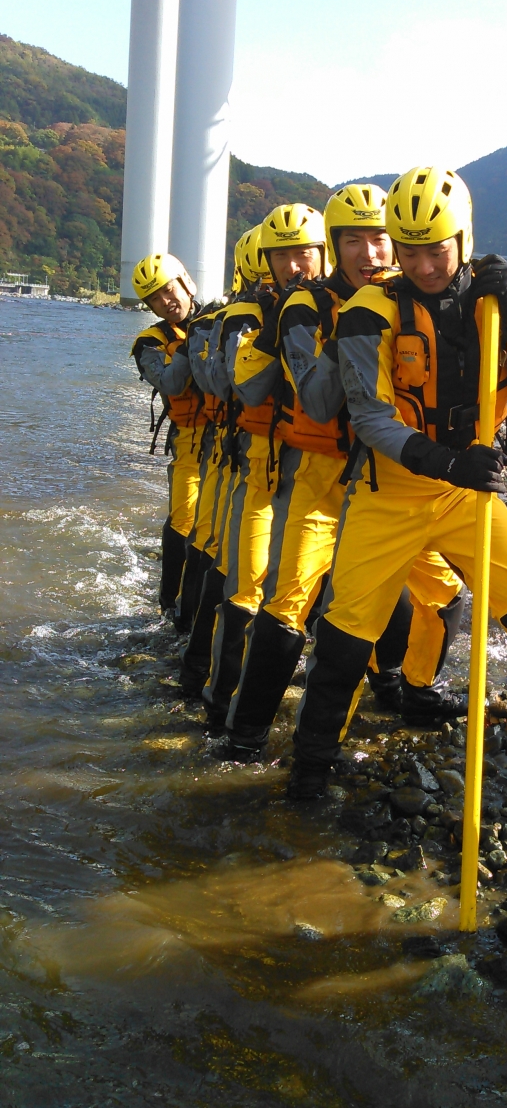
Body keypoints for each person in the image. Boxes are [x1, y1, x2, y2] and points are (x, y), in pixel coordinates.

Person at [287, 165, 507, 813]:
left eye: (437, 249)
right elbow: (370, 417)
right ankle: (308, 774)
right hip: (390, 495)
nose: (426, 265)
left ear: (462, 239)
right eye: (410, 251)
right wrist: (446, 461)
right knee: (344, 642)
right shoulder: (368, 312)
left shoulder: (493, 303)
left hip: (467, 499)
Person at [217, 186, 466, 762]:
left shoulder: (412, 299)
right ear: (335, 248)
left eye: (380, 238)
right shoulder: (307, 308)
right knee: (290, 605)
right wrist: (353, 325)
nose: (370, 253)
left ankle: (411, 688)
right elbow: (321, 402)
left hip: (389, 483)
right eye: (353, 240)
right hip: (320, 482)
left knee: (443, 594)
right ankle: (244, 735)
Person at [202, 204, 324, 732]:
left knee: (347, 608)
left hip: (360, 475)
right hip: (266, 466)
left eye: (306, 253)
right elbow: (238, 385)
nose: (297, 266)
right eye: (284, 257)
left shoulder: (362, 305)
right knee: (251, 587)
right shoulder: (249, 317)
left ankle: (385, 692)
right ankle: (218, 701)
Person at [178, 226, 265, 696]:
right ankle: (197, 662)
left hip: (303, 463)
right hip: (236, 452)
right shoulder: (223, 323)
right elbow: (219, 383)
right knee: (218, 551)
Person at [130, 253, 207, 630]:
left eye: (169, 289)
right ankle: (170, 604)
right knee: (185, 517)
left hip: (235, 435)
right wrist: (199, 340)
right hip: (190, 439)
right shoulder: (149, 344)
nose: (167, 301)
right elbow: (173, 384)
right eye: (155, 299)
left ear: (186, 282)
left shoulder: (225, 316)